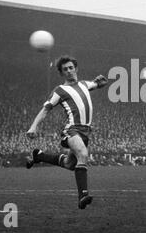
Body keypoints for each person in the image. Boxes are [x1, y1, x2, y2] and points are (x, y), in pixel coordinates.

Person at [26, 55, 108, 209]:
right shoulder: (60, 90)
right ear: (61, 73)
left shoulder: (84, 84)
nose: (69, 71)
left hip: (85, 132)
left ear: (76, 69)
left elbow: (96, 84)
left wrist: (100, 83)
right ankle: (83, 195)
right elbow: (46, 109)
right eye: (65, 69)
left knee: (70, 164)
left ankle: (39, 155)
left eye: (71, 68)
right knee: (83, 154)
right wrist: (33, 126)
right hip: (71, 130)